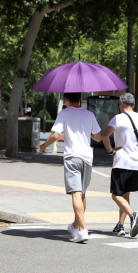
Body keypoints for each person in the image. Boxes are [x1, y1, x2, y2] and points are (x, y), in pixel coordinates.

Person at [40, 93, 102, 243]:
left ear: (66, 99)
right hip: (87, 158)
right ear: (80, 99)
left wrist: (44, 145)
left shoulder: (64, 113)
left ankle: (82, 230)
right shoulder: (89, 114)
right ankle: (76, 225)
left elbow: (55, 135)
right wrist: (87, 132)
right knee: (82, 194)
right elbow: (98, 137)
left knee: (76, 193)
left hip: (72, 157)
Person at [102, 93, 138, 237]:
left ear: (121, 103)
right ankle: (120, 226)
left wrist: (110, 151)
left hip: (121, 162)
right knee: (125, 194)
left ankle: (133, 214)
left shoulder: (118, 118)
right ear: (133, 104)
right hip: (136, 163)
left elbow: (105, 135)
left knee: (116, 195)